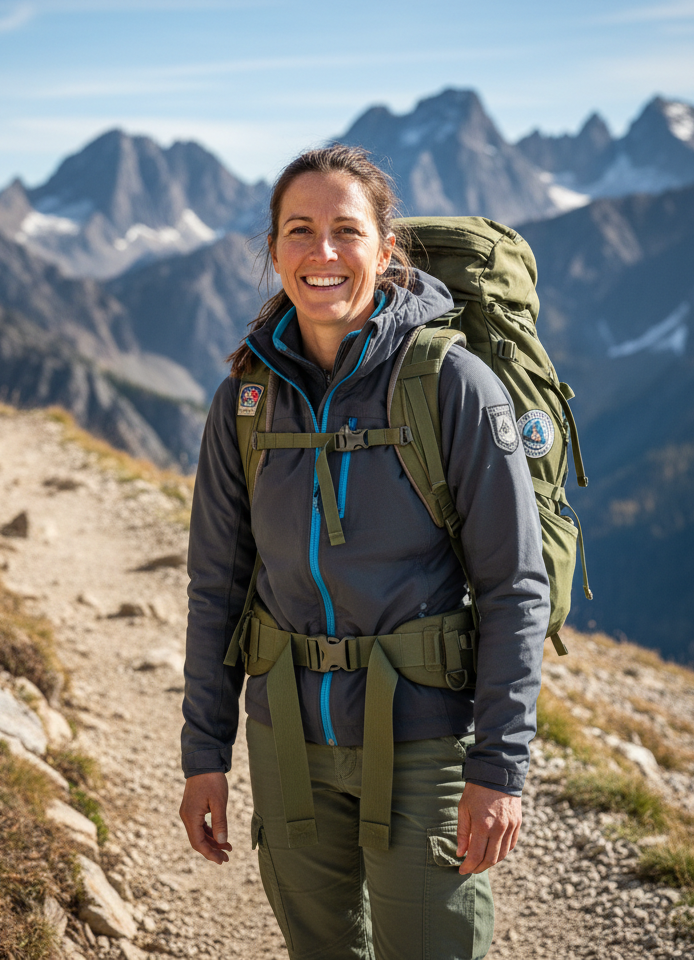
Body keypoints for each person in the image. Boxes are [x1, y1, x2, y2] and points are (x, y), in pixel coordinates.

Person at [178, 145, 549, 960]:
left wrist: (500, 766)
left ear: (387, 250)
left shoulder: (450, 384)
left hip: (422, 737)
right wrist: (204, 755)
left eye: (346, 231)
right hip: (286, 739)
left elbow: (515, 587)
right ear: (272, 250)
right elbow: (217, 586)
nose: (322, 254)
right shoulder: (245, 398)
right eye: (299, 231)